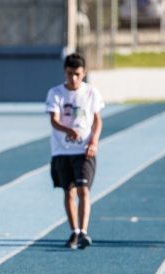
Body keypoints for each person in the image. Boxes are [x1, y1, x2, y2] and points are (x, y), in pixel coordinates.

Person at [45, 53, 104, 249]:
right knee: (69, 193)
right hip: (62, 151)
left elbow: (97, 120)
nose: (74, 78)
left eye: (78, 74)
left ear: (84, 73)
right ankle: (74, 232)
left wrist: (94, 141)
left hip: (84, 151)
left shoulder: (92, 93)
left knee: (83, 190)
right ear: (65, 72)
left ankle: (84, 232)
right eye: (70, 74)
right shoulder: (55, 92)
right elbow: (54, 120)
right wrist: (68, 129)